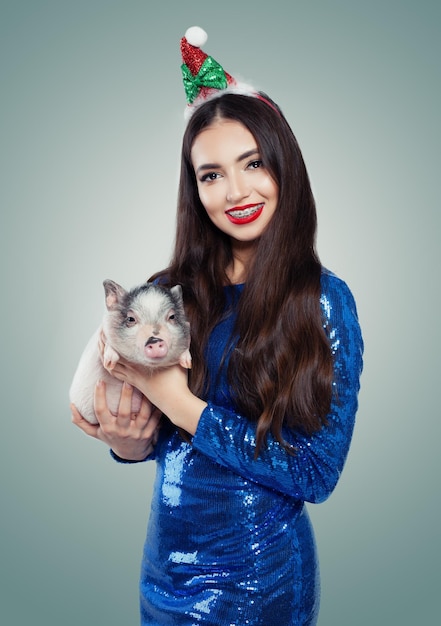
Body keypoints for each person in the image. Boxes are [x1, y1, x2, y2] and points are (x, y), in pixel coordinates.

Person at [71, 27, 363, 626]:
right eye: (210, 174)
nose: (235, 191)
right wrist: (129, 444)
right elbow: (156, 438)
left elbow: (315, 473)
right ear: (194, 187)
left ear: (285, 166)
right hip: (164, 573)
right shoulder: (169, 291)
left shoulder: (323, 301)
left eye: (252, 164)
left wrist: (179, 402)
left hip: (260, 583)